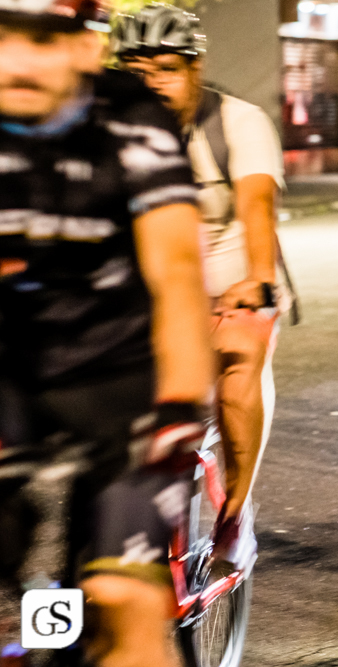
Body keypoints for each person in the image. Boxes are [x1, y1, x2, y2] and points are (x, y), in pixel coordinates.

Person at [0, 0, 214, 665]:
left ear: (85, 49)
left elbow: (177, 269)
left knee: (126, 603)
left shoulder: (135, 122)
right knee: (38, 607)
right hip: (13, 373)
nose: (18, 60)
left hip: (123, 380)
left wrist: (181, 403)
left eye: (42, 39)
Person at [113, 4, 289, 568]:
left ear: (196, 68)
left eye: (166, 69)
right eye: (136, 72)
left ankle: (235, 515)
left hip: (231, 266)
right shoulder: (105, 129)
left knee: (237, 367)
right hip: (153, 276)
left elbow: (257, 205)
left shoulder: (237, 121)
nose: (151, 85)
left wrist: (258, 279)